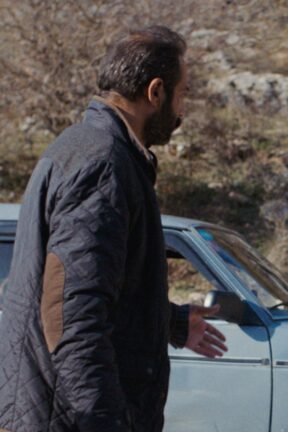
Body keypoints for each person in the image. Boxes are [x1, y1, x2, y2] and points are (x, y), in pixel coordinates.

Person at [0, 26, 227, 432]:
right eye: (182, 94)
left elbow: (96, 287)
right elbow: (72, 316)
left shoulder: (85, 147)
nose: (182, 111)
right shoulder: (103, 164)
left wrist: (169, 321)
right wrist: (106, 423)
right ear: (155, 92)